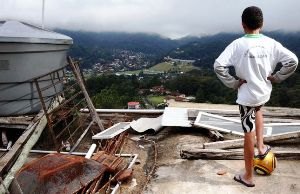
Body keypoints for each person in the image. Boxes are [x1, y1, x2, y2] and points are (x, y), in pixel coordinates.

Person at [214, 6, 298, 187]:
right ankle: (261, 147)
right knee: (258, 110)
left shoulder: (237, 44)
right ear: (262, 23)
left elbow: (218, 66)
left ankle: (248, 176)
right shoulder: (271, 43)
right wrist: (277, 77)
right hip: (263, 93)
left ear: (242, 24)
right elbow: (293, 61)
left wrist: (233, 82)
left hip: (247, 96)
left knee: (247, 134)